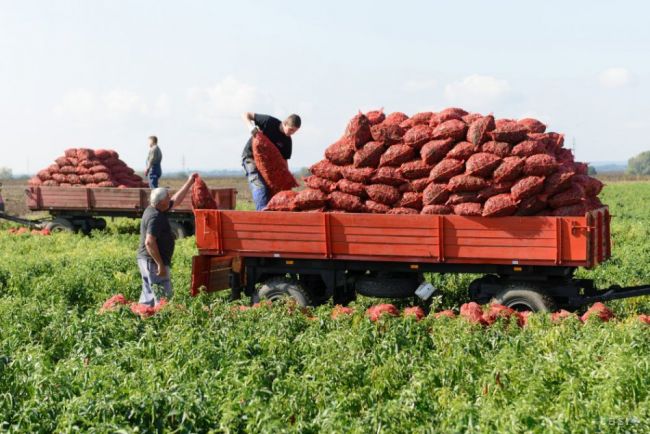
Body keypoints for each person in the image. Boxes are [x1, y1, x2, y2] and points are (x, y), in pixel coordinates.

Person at [136, 173, 197, 306]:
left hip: (147, 261)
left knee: (149, 296)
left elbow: (177, 200)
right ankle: (160, 321)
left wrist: (189, 182)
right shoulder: (155, 217)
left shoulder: (157, 208)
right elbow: (149, 242)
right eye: (167, 198)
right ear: (161, 202)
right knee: (163, 297)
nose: (170, 199)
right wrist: (160, 264)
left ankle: (144, 318)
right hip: (152, 262)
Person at [241, 112, 301, 210]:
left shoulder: (287, 142)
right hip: (250, 158)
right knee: (260, 186)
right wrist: (250, 127)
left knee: (271, 190)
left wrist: (285, 179)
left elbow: (284, 162)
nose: (292, 133)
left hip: (268, 167)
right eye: (291, 129)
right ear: (285, 123)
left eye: (294, 131)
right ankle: (263, 213)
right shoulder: (269, 122)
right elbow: (246, 114)